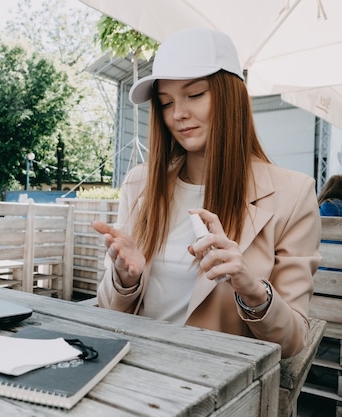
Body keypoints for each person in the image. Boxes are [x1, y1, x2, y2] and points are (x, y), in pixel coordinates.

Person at [92, 28, 321, 358]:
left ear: (231, 97)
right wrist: (125, 280)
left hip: (216, 379)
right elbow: (107, 310)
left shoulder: (293, 194)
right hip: (134, 368)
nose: (177, 114)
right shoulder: (139, 184)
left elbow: (293, 340)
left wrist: (252, 290)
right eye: (166, 102)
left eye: (195, 94)